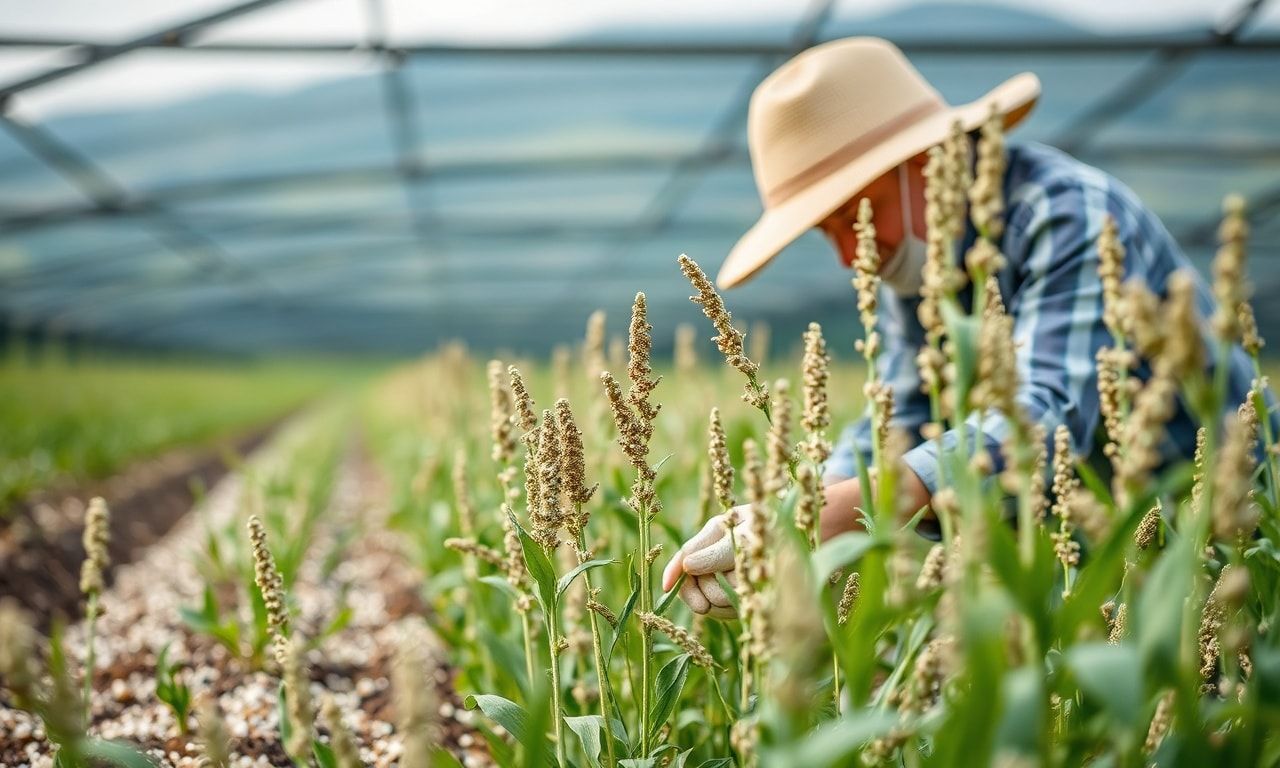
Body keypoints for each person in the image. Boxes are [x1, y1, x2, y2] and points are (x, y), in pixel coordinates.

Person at [661, 36, 1263, 619]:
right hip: (1116, 564)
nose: (851, 255)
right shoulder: (923, 265)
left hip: (1237, 532)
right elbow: (895, 417)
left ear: (925, 162)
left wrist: (840, 512)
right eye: (832, 234)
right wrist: (785, 509)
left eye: (854, 217)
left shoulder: (1071, 216)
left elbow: (1046, 416)